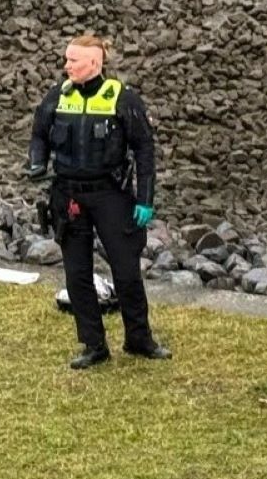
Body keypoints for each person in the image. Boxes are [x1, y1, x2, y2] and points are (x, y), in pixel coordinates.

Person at [24, 34, 170, 369]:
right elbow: (38, 133)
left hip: (110, 195)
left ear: (94, 62)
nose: (67, 65)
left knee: (126, 271)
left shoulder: (122, 98)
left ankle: (139, 339)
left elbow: (144, 149)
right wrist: (36, 161)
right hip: (69, 196)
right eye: (66, 59)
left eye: (73, 60)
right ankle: (93, 344)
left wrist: (145, 198)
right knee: (77, 274)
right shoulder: (57, 96)